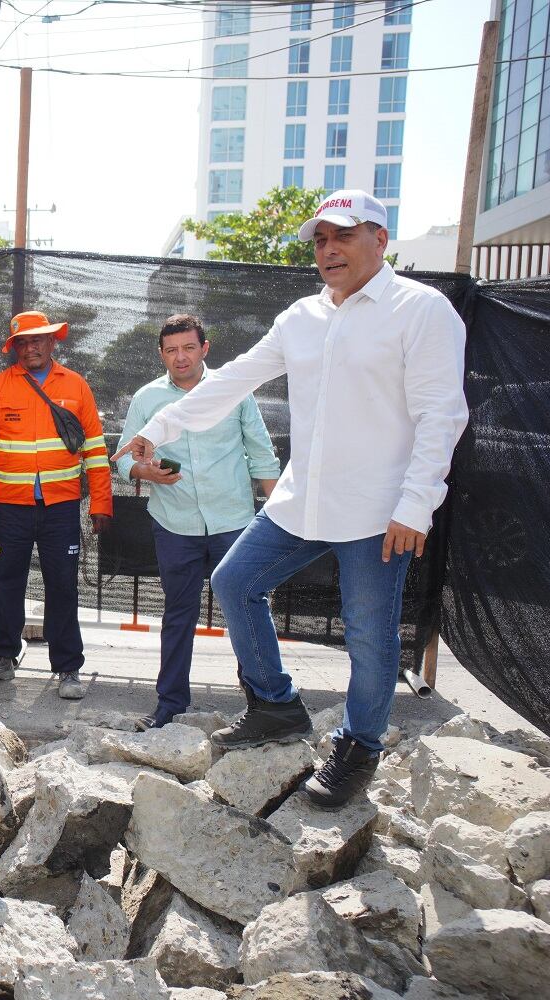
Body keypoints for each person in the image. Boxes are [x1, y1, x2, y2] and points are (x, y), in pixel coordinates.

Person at [118, 190, 467, 807]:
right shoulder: (301, 318)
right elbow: (233, 380)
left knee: (369, 635)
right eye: (320, 239)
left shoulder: (421, 310)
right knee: (235, 583)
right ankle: (276, 706)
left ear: (380, 240)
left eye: (343, 235)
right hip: (301, 501)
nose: (328, 249)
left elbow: (441, 414)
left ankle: (359, 747)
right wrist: (160, 427)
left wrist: (416, 504)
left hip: (378, 512)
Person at [119, 314, 281, 731]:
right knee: (178, 614)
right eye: (172, 350)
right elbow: (122, 459)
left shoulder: (232, 390)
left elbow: (261, 454)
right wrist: (145, 472)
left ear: (204, 349)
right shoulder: (147, 398)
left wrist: (279, 515)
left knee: (247, 610)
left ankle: (264, 704)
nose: (181, 357)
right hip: (175, 524)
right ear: (161, 354)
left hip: (234, 522)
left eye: (189, 348)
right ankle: (170, 707)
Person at [0, 310, 113, 700]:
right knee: (7, 583)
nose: (30, 348)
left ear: (51, 342)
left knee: (62, 585)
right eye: (23, 342)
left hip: (61, 507)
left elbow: (96, 451)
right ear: (15, 348)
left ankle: (67, 668)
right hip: (9, 507)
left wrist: (101, 502)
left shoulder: (76, 386)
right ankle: (2, 658)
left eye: (37, 340)